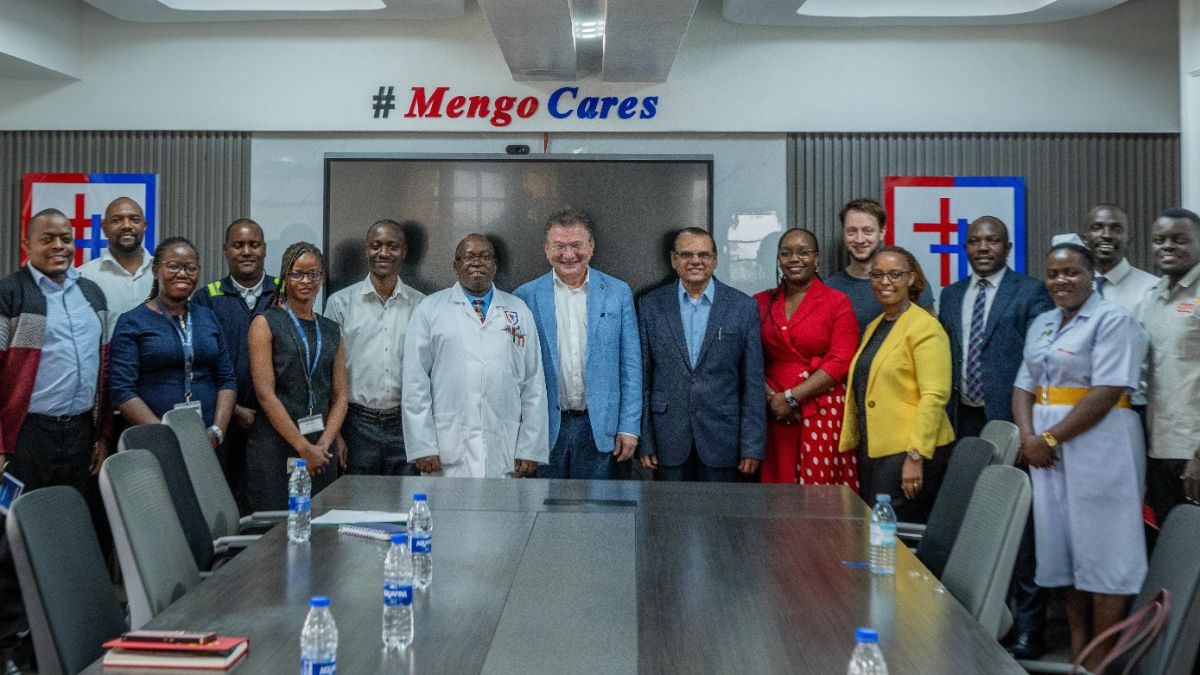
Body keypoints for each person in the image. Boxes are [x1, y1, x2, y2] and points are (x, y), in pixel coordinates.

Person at [1013, 242, 1149, 671]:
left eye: (1072, 272)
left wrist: (1047, 439)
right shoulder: (1043, 324)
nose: (1061, 281)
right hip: (1045, 454)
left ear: (1092, 276)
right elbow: (1023, 387)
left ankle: (1103, 657)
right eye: (1053, 273)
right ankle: (1078, 646)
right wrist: (1028, 437)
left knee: (1106, 548)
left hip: (1101, 445)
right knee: (1064, 546)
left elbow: (1107, 392)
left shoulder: (1113, 320)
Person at [936, 215, 1053, 658]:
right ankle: (986, 619)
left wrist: (1030, 429)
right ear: (965, 247)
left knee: (1021, 528)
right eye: (975, 241)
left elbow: (1040, 362)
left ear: (1007, 247)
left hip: (1015, 420)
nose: (983, 248)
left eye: (992, 241)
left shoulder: (1030, 291)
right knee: (976, 520)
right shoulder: (950, 295)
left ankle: (1028, 627)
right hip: (965, 422)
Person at [0, 209, 111, 673]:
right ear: (28, 243)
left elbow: (102, 367)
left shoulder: (91, 293)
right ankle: (9, 640)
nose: (59, 247)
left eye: (65, 238)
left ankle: (65, 633)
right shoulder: (12, 293)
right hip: (26, 436)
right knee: (11, 539)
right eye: (48, 239)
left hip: (79, 433)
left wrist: (101, 434)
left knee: (68, 534)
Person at [403, 234, 548, 478]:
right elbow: (415, 381)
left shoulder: (517, 310)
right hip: (447, 446)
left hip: (505, 444)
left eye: (485, 256)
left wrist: (531, 447)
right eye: (468, 257)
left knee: (502, 513)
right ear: (455, 266)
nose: (477, 263)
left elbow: (534, 383)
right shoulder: (429, 309)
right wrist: (422, 445)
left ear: (495, 264)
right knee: (449, 513)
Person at [513, 209, 642, 480]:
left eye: (576, 245)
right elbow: (514, 372)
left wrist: (629, 427)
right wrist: (520, 432)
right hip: (545, 429)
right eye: (559, 246)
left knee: (599, 516)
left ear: (591, 247)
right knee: (544, 516)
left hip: (601, 430)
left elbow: (630, 366)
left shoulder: (618, 293)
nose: (568, 254)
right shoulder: (524, 297)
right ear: (547, 249)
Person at [637, 227, 765, 482]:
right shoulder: (650, 305)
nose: (695, 261)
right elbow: (643, 378)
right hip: (667, 439)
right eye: (687, 254)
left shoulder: (743, 307)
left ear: (715, 260)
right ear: (674, 260)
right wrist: (645, 439)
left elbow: (753, 383)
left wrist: (752, 445)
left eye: (704, 255)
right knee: (669, 518)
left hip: (724, 439)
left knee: (721, 520)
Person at [839, 246, 954, 522]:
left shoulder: (925, 327)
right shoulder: (876, 325)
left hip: (909, 451)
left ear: (911, 279)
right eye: (877, 275)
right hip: (875, 448)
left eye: (895, 274)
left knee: (890, 537)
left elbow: (934, 396)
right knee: (876, 532)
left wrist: (915, 456)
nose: (885, 282)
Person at [109, 237, 237, 463]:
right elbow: (122, 391)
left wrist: (217, 432)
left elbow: (226, 379)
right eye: (174, 266)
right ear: (156, 270)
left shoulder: (208, 317)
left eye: (190, 267)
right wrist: (164, 437)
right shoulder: (132, 322)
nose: (183, 273)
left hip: (209, 442)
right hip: (155, 445)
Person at [244, 242, 347, 512]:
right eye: (297, 273)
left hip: (321, 453)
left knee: (321, 534)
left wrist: (322, 446)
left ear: (322, 278)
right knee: (274, 538)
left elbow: (340, 397)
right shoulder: (265, 323)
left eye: (313, 274)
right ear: (285, 277)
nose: (306, 281)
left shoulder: (331, 329)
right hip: (276, 448)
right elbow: (265, 394)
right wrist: (303, 447)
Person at [753, 228, 859, 485]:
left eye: (803, 252)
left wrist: (792, 397)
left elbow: (840, 361)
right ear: (778, 259)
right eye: (786, 252)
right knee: (779, 487)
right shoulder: (760, 302)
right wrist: (773, 400)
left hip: (822, 410)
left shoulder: (837, 302)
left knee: (819, 495)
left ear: (817, 258)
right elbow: (749, 359)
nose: (794, 258)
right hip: (773, 413)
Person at [325, 219, 424, 476]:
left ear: (403, 252)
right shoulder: (340, 304)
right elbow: (327, 376)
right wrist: (335, 434)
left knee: (405, 505)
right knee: (357, 509)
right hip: (356, 425)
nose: (383, 253)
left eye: (392, 246)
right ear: (366, 250)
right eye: (376, 246)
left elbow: (431, 372)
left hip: (405, 424)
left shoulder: (422, 306)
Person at [191, 218, 278, 498]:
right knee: (223, 497)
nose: (247, 251)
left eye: (254, 244)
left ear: (264, 249)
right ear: (225, 250)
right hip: (223, 418)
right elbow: (201, 365)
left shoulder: (284, 293)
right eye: (238, 245)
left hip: (275, 421)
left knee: (268, 498)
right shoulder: (206, 298)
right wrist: (234, 410)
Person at [1138, 208, 1200, 524]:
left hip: (1193, 450)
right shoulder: (1153, 297)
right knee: (1171, 544)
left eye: (1179, 240)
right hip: (1158, 447)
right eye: (1159, 240)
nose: (1167, 247)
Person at [825, 198, 935, 337]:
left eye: (867, 231)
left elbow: (932, 335)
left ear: (882, 232)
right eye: (851, 231)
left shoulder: (909, 282)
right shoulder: (830, 289)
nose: (859, 239)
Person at [79, 196, 154, 339]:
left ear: (144, 226)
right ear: (104, 228)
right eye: (117, 220)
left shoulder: (165, 274)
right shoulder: (83, 277)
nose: (127, 225)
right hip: (106, 361)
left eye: (134, 220)